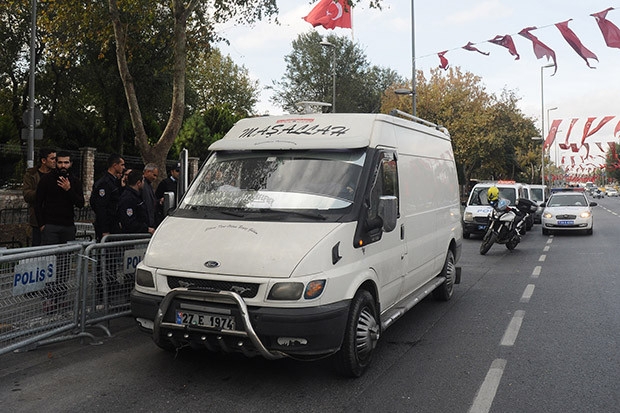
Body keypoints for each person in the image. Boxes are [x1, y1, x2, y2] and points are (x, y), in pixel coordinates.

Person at [35, 150, 85, 245]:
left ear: (71, 164)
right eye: (60, 162)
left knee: (66, 257)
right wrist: (41, 225)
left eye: (66, 162)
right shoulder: (46, 179)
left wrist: (69, 190)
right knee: (50, 257)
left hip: (68, 226)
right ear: (56, 163)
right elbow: (38, 203)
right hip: (50, 226)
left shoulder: (75, 181)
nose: (63, 165)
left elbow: (80, 203)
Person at [22, 148, 56, 246]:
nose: (55, 161)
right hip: (37, 219)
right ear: (43, 161)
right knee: (37, 248)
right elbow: (27, 195)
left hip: (55, 219)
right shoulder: (31, 175)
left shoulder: (57, 174)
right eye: (52, 158)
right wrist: (41, 191)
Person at [90, 154, 125, 242]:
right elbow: (101, 207)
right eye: (122, 165)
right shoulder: (105, 183)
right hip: (108, 225)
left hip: (113, 223)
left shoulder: (114, 182)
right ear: (115, 165)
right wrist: (104, 229)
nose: (123, 168)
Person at [117, 170, 153, 234]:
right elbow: (129, 222)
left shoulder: (137, 196)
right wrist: (146, 229)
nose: (144, 183)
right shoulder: (128, 198)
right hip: (133, 236)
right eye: (143, 181)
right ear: (138, 183)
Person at [142, 163, 159, 229]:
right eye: (154, 175)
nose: (155, 178)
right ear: (148, 172)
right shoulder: (142, 184)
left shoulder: (149, 185)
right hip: (146, 222)